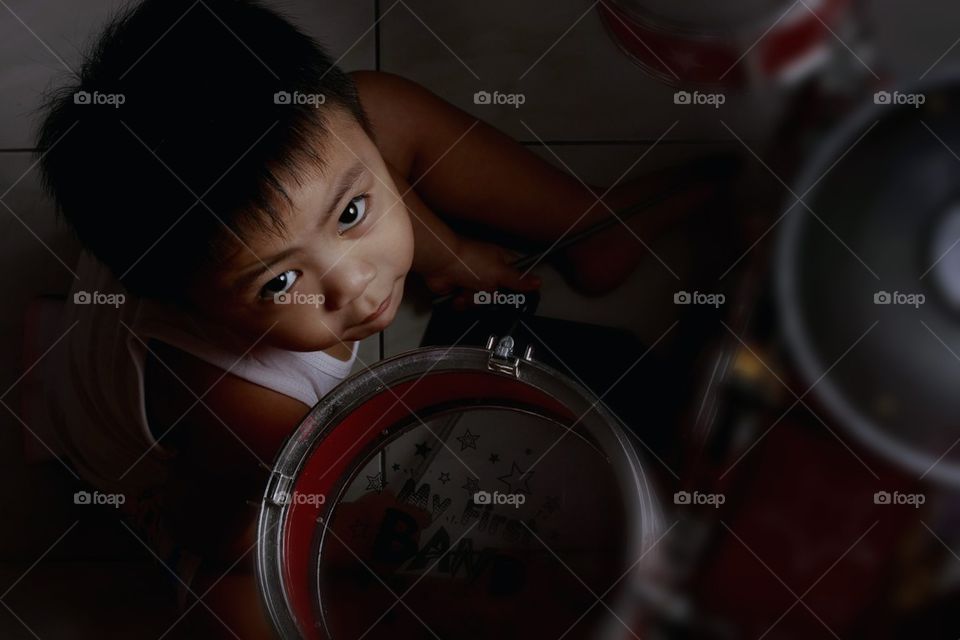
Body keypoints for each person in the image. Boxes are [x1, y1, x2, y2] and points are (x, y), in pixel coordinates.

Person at [36, 0, 717, 636]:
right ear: (191, 304)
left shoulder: (260, 213)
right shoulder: (242, 404)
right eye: (281, 281)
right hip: (202, 488)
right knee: (241, 605)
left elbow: (347, 170)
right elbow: (231, 526)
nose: (359, 290)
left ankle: (587, 227)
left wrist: (451, 253)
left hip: (210, 271)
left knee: (374, 106)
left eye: (353, 215)